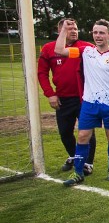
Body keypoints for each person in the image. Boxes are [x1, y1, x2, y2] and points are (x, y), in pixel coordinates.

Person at [56, 19, 109, 186]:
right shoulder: (85, 52)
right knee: (82, 136)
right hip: (89, 103)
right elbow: (59, 50)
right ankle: (78, 172)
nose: (98, 36)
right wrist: (64, 30)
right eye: (95, 32)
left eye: (102, 33)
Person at [38, 18, 97, 174]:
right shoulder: (48, 49)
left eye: (75, 28)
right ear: (60, 31)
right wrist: (50, 94)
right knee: (65, 132)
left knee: (87, 132)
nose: (74, 31)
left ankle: (88, 163)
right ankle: (74, 156)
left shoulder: (86, 47)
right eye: (69, 28)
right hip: (63, 99)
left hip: (84, 98)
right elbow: (42, 73)